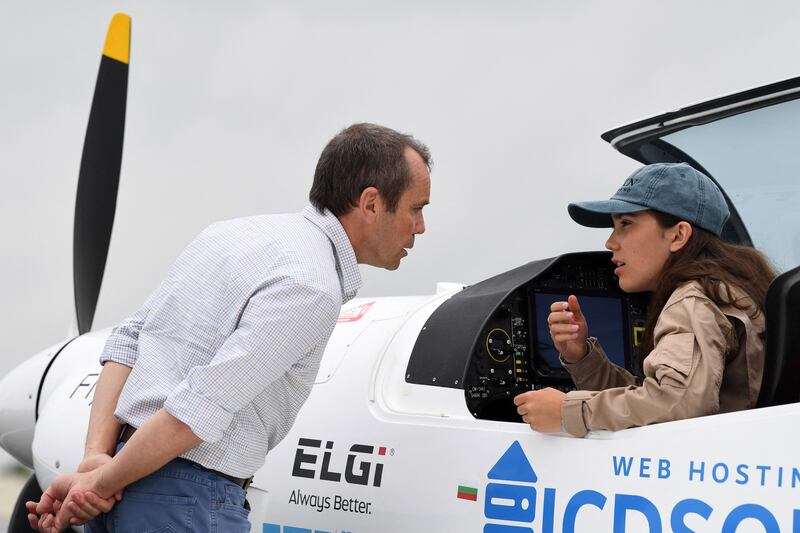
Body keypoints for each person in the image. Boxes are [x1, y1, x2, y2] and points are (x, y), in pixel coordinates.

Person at [26, 122, 432, 532]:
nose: (420, 227)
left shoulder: (226, 235)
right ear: (371, 203)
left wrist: (96, 461)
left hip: (123, 479)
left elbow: (130, 338)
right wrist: (97, 481)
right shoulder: (313, 288)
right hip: (185, 502)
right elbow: (195, 411)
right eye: (416, 208)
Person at [514, 162, 775, 437]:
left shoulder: (693, 301)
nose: (611, 242)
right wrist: (582, 358)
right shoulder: (732, 291)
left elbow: (679, 402)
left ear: (678, 235)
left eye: (626, 224)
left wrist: (569, 411)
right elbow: (650, 402)